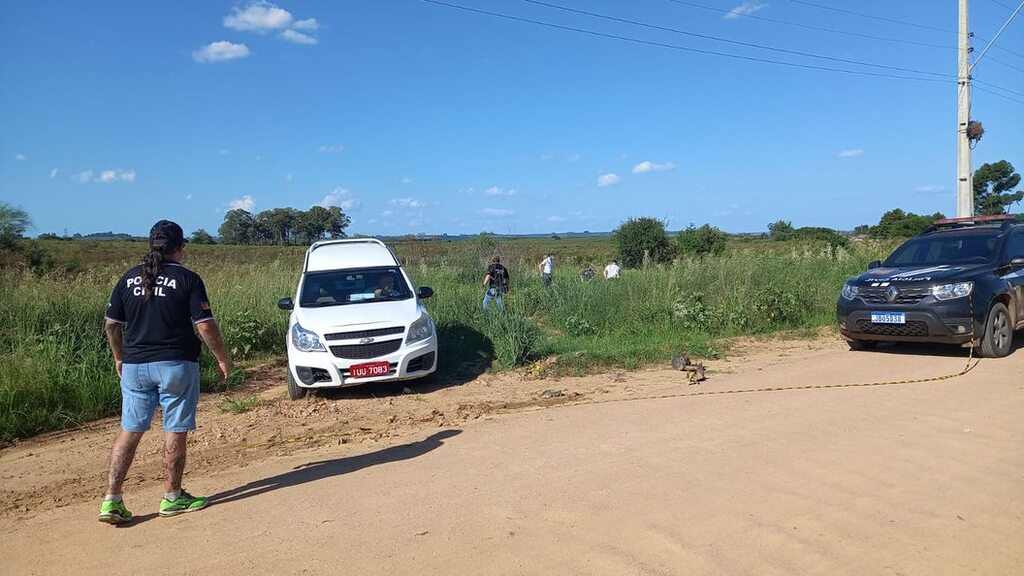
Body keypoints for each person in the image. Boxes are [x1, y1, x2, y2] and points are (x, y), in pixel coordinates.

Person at [99, 220, 231, 525]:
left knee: (129, 430)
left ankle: (112, 500)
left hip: (134, 366)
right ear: (180, 247)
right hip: (175, 364)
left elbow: (111, 325)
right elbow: (206, 325)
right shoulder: (188, 279)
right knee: (174, 428)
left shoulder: (128, 278)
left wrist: (120, 357)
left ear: (150, 245)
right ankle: (172, 497)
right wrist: (222, 357)